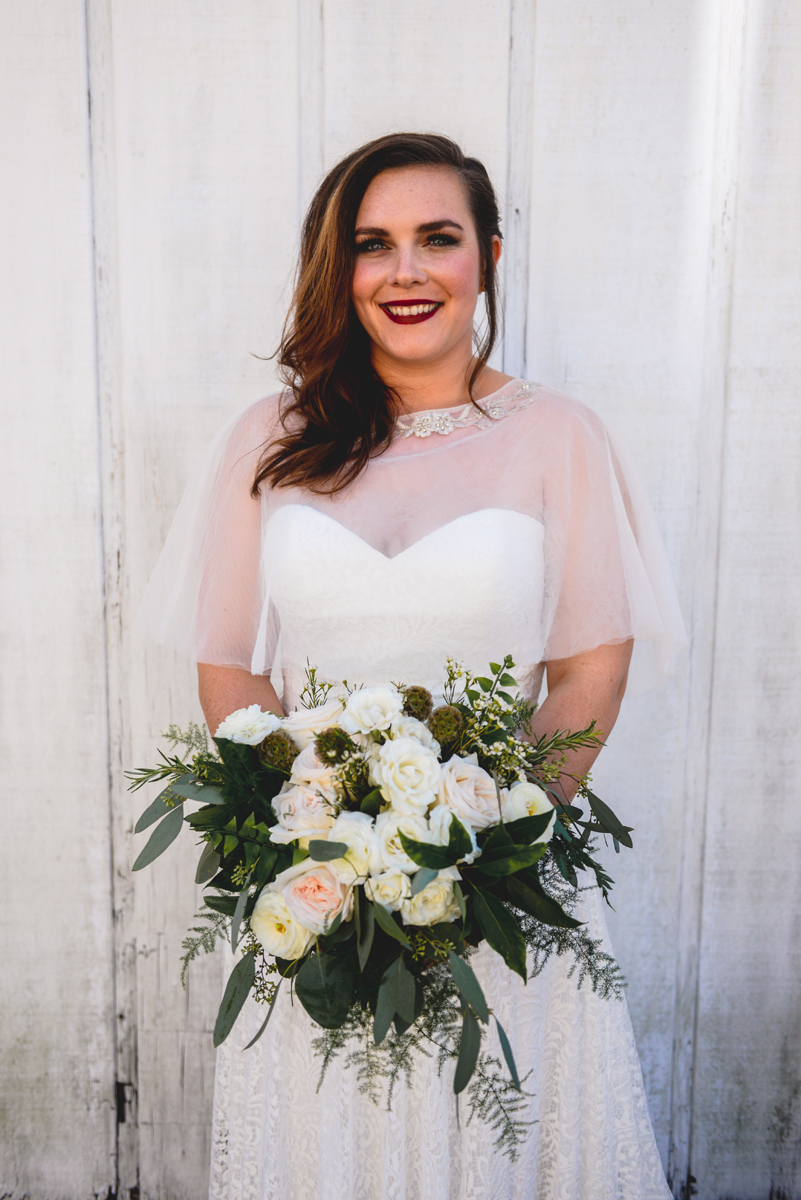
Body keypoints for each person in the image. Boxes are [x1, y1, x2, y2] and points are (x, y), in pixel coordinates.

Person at [137, 133, 686, 1200]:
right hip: (318, 892)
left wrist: (481, 854)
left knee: (503, 1144)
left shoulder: (559, 436)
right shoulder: (273, 438)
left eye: (437, 239)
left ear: (484, 254)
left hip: (504, 883)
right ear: (336, 269)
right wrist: (316, 839)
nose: (405, 271)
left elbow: (585, 674)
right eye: (371, 244)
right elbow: (231, 665)